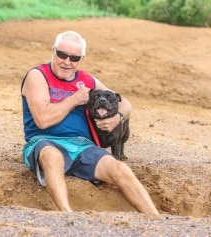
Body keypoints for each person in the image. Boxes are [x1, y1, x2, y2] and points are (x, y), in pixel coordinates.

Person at [21, 30, 159, 215]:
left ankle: (157, 220)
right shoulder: (38, 75)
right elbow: (43, 120)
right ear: (53, 51)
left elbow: (125, 104)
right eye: (62, 54)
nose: (67, 62)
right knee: (53, 156)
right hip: (43, 141)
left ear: (81, 58)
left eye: (74, 58)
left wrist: (117, 118)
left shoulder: (87, 80)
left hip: (82, 146)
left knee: (120, 168)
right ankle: (67, 215)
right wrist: (75, 98)